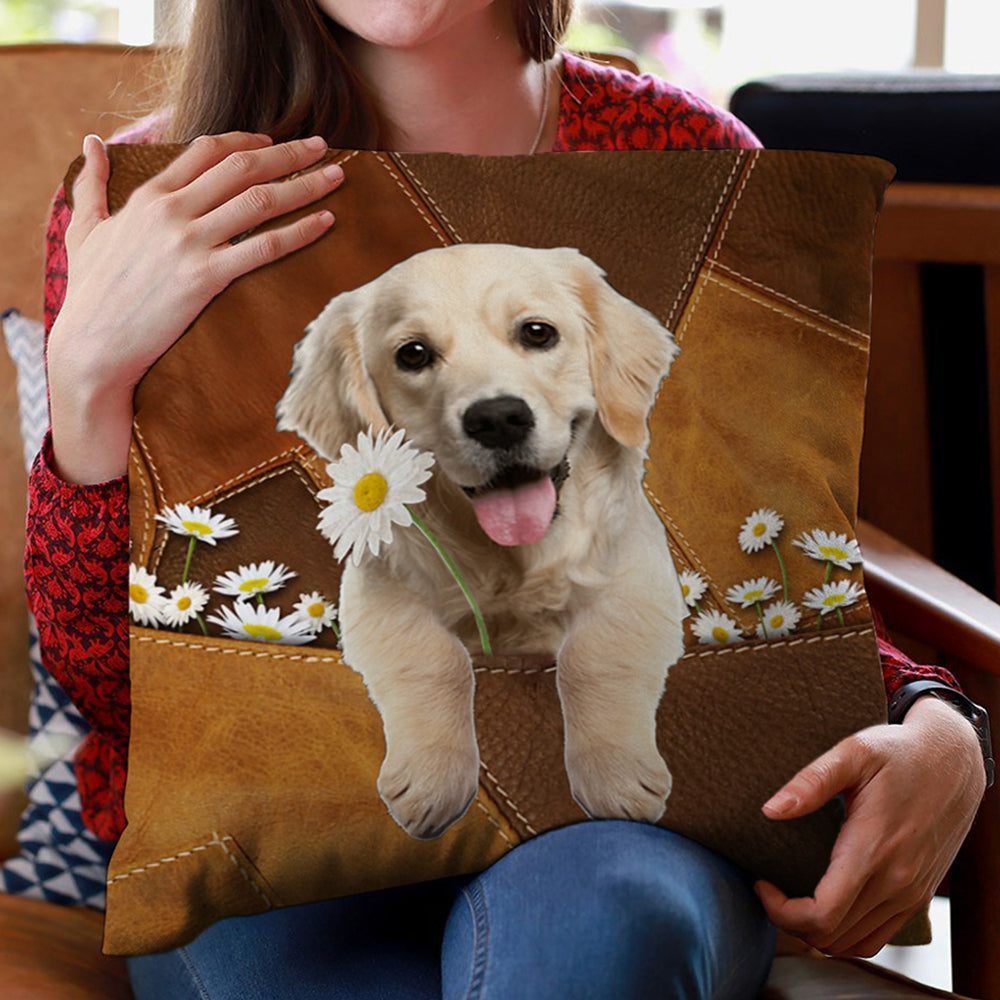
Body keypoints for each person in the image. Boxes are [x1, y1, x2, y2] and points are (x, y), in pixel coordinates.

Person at [26, 1, 988, 997]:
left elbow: (761, 549)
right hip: (264, 827)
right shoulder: (153, 208)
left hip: (620, 831)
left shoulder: (692, 163)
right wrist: (88, 380)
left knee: (604, 926)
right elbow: (108, 684)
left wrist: (934, 713)